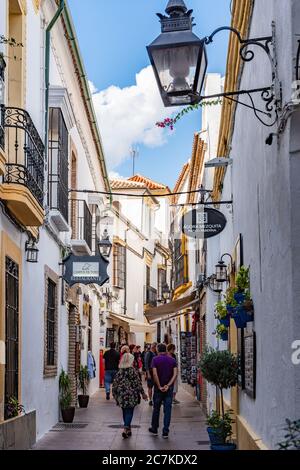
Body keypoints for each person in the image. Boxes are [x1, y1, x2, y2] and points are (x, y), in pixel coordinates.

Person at [112, 353, 148, 439]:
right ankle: (125, 428)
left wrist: (114, 394)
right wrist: (143, 394)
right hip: (131, 394)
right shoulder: (132, 370)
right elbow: (137, 383)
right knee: (129, 411)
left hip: (121, 394)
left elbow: (115, 384)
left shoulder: (119, 371)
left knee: (124, 411)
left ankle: (128, 429)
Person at [149, 343, 178, 439]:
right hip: (168, 389)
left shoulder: (155, 359)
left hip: (158, 389)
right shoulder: (172, 360)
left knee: (156, 409)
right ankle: (165, 431)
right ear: (166, 350)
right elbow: (175, 374)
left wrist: (159, 386)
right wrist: (168, 385)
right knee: (168, 410)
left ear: (157, 350)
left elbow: (155, 374)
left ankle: (154, 429)